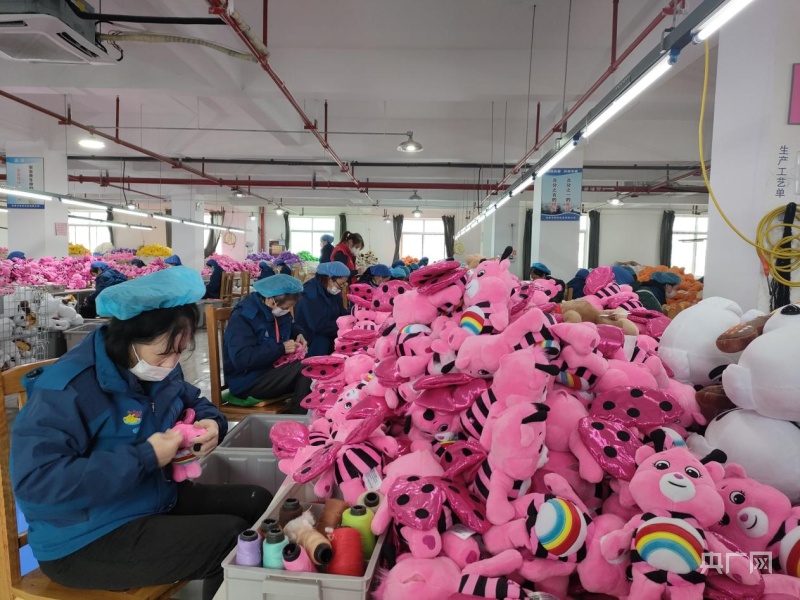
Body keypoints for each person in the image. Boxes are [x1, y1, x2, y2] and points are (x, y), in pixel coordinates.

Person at [10, 267, 271, 600]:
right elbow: (38, 485)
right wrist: (145, 457)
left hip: (148, 499)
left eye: (180, 351)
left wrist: (211, 424)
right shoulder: (66, 390)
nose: (172, 363)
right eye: (164, 353)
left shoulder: (155, 369)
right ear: (127, 340)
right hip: (82, 537)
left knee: (258, 504)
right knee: (231, 538)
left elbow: (192, 400)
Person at [223, 274, 310, 414]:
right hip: (248, 381)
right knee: (305, 368)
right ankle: (297, 418)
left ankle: (300, 415)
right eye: (286, 307)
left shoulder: (275, 311)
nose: (287, 311)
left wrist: (298, 333)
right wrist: (281, 348)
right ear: (271, 300)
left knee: (313, 366)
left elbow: (288, 324)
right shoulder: (243, 317)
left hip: (270, 370)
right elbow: (242, 358)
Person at [295, 262, 350, 357]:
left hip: (330, 332)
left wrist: (352, 318)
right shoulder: (310, 294)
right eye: (341, 284)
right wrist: (344, 329)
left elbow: (341, 312)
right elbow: (318, 326)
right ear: (329, 279)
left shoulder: (331, 290)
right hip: (313, 339)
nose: (342, 287)